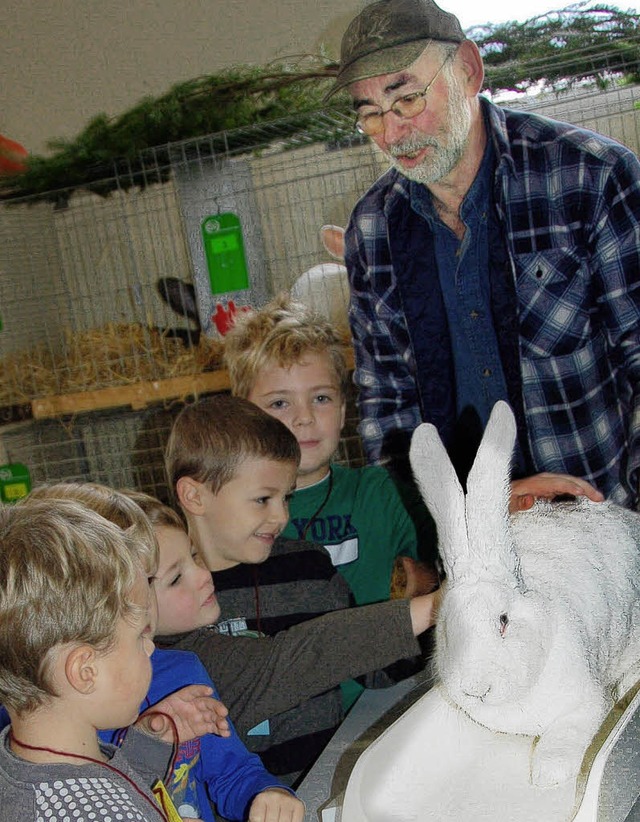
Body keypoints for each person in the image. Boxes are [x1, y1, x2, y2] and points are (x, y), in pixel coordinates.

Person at [326, 0, 640, 508]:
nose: (391, 133)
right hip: (468, 540)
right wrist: (435, 527)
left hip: (604, 514)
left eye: (406, 99)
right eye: (370, 115)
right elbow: (387, 407)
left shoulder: (589, 177)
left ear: (469, 70)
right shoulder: (373, 230)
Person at [20, 482, 304, 822]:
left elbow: (232, 771)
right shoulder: (42, 727)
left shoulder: (182, 675)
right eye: (155, 579)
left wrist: (267, 795)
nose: (146, 604)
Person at [124, 488, 441, 782]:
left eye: (194, 557)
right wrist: (433, 607)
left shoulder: (187, 648)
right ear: (129, 606)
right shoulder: (187, 666)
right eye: (177, 578)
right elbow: (303, 656)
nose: (204, 575)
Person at [222, 292, 439, 611]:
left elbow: (446, 568)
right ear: (245, 416)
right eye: (280, 403)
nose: (304, 417)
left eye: (321, 398)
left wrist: (424, 582)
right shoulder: (230, 513)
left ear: (341, 411)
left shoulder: (381, 494)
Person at [0, 498, 172, 821]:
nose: (149, 648)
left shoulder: (24, 761)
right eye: (139, 637)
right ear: (85, 671)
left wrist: (147, 748)